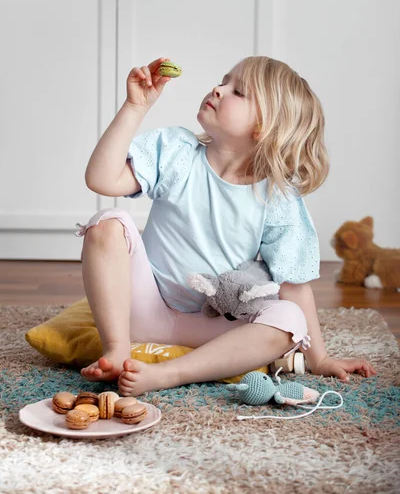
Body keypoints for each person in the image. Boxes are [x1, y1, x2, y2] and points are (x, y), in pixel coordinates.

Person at [76, 56, 376, 397]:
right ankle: (117, 348)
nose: (217, 89)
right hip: (144, 312)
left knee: (290, 319)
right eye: (223, 81)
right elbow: (101, 179)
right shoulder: (177, 152)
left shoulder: (278, 201)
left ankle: (168, 374)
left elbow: (294, 284)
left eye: (238, 91)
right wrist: (134, 107)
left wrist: (319, 359)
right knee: (107, 222)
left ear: (264, 126)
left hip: (215, 326)